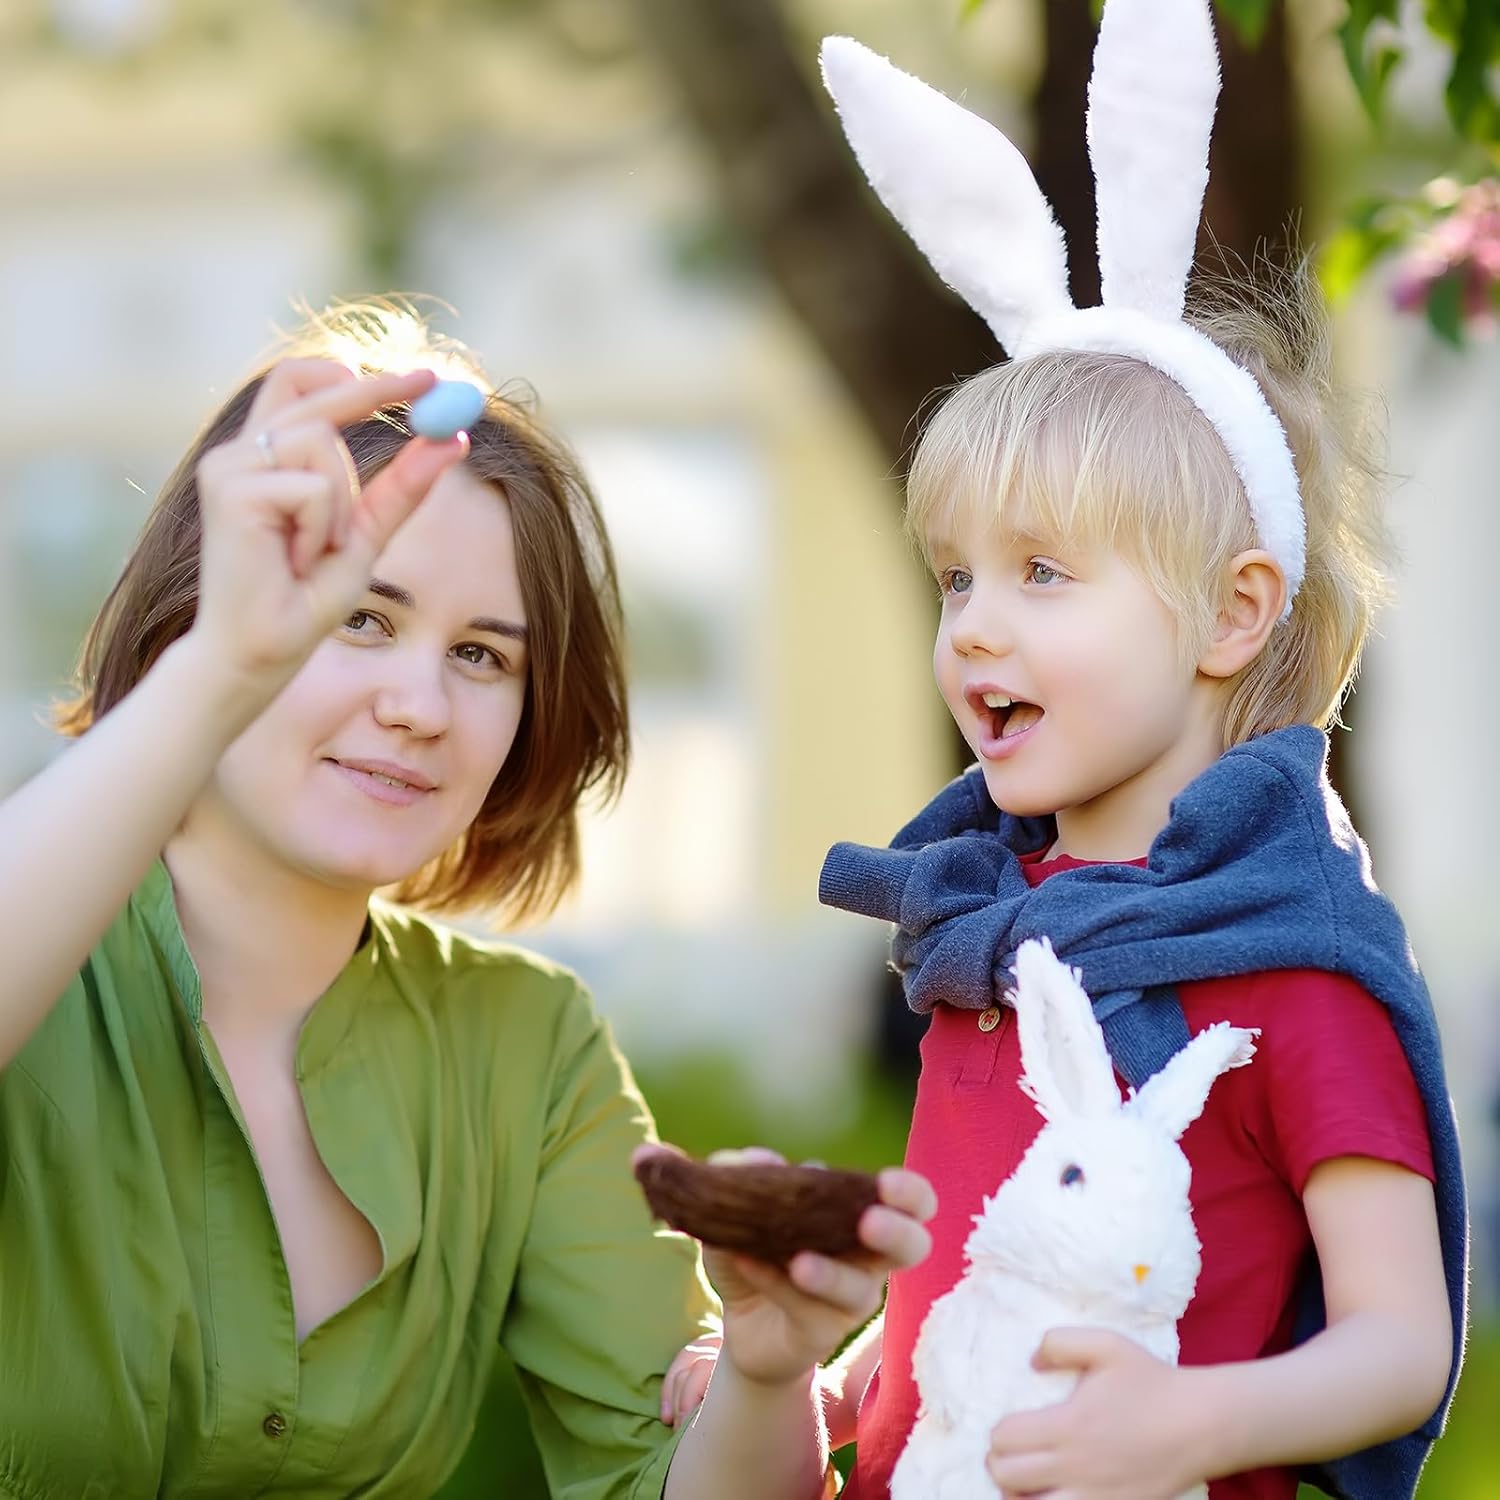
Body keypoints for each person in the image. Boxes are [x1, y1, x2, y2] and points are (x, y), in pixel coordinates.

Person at [671, 15, 1468, 1499]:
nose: (975, 628)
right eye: (957, 579)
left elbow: (1402, 1342)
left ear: (1234, 613)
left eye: (1044, 574)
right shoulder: (989, 940)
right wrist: (822, 1377)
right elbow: (991, 1276)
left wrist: (1193, 1426)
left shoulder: (1296, 966)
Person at [0, 299, 936, 1500]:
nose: (419, 705)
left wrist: (762, 1373)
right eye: (359, 618)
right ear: (199, 609)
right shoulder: (51, 955)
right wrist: (225, 668)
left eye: (482, 655)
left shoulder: (529, 1048)